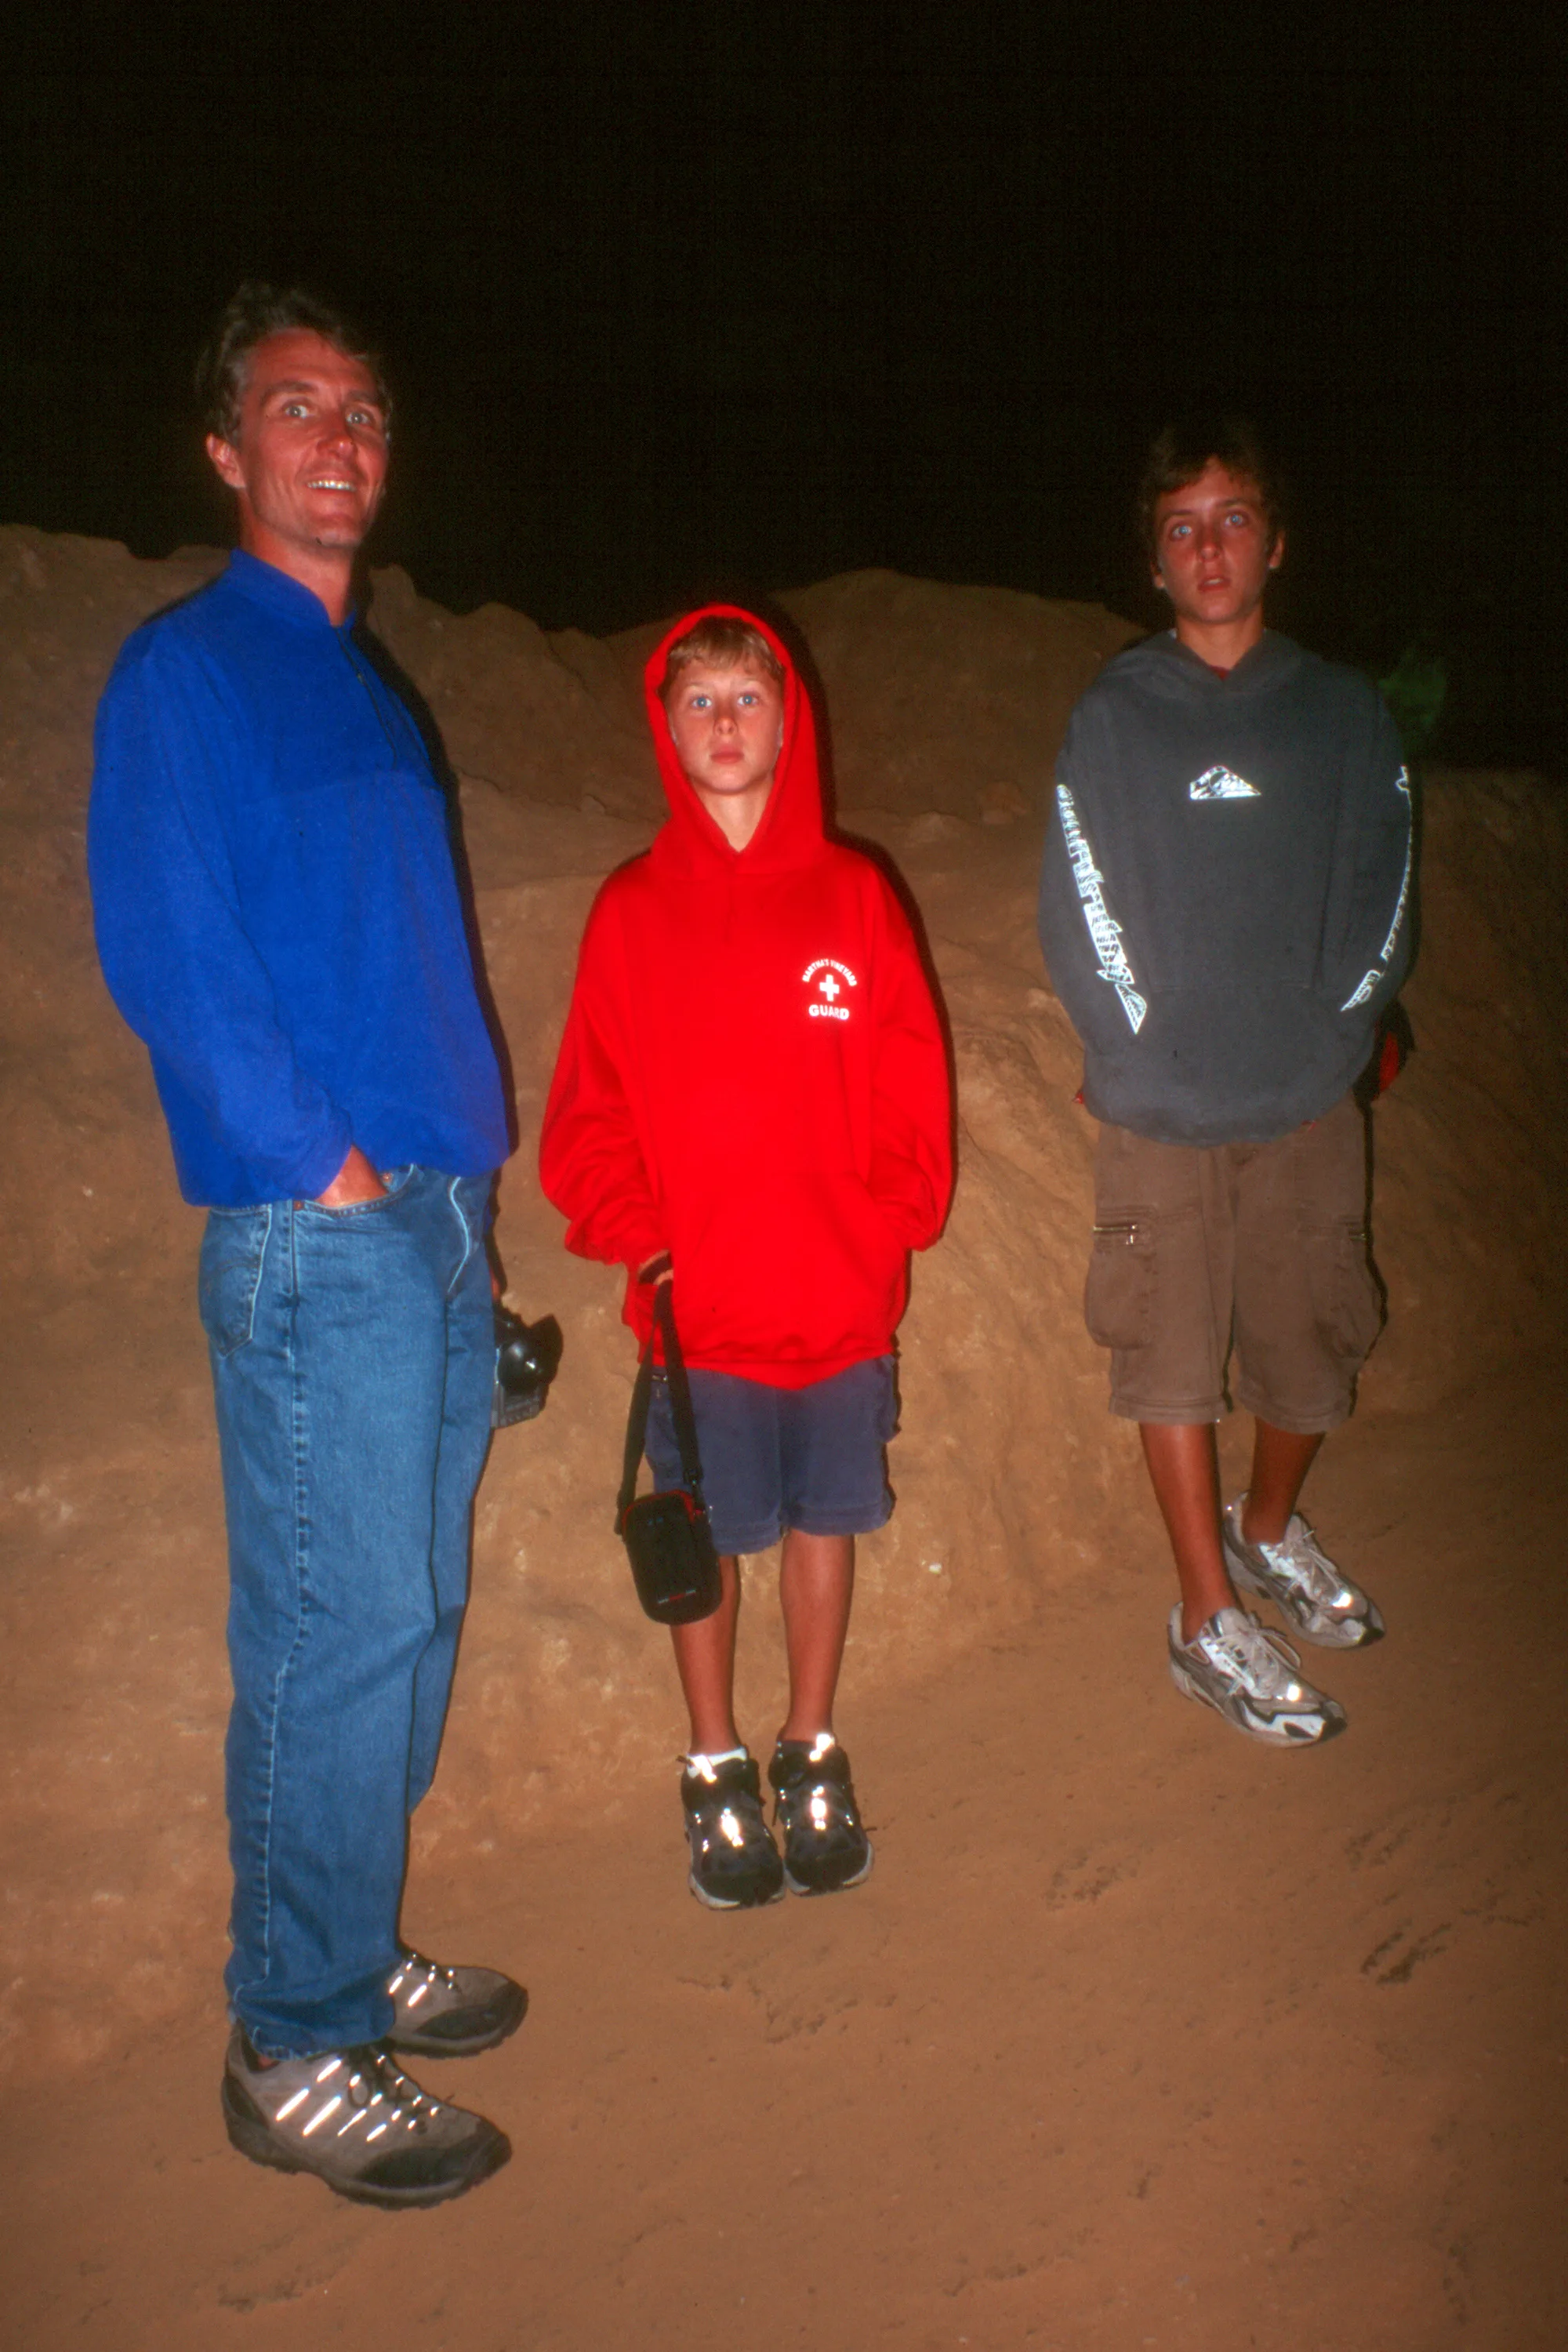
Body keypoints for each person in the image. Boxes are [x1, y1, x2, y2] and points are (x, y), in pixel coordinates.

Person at [88, 284, 522, 2205]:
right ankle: (294, 2038)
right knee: (337, 1639)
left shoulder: (365, 678)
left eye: (361, 408)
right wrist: (328, 1172)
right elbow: (170, 951)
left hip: (431, 1215)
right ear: (225, 452)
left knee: (406, 1621)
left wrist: (453, 1202)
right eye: (294, 408)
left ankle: (348, 1941)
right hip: (317, 1228)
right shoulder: (189, 668)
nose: (339, 438)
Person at [540, 606, 951, 1904]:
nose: (726, 723)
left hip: (833, 1303)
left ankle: (808, 1741)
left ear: (791, 718)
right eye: (700, 700)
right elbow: (587, 1115)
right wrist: (644, 1245)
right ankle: (714, 1757)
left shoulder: (854, 895)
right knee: (703, 1538)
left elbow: (911, 1087)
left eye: (748, 700)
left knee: (828, 1523)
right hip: (698, 1314)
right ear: (665, 727)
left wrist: (884, 1217)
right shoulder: (631, 914)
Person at [1036, 418, 1413, 1747]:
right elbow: (1078, 901)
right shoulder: (1117, 714)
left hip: (1308, 1103)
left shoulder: (1343, 713)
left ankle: (1266, 1533)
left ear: (1276, 542)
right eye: (1183, 524)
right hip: (1160, 1114)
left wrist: (1334, 1042)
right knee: (1172, 1364)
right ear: (1155, 559)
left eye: (1233, 517)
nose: (1210, 544)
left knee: (1314, 1347)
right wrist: (1136, 1051)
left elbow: (1385, 896)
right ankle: (1205, 1614)